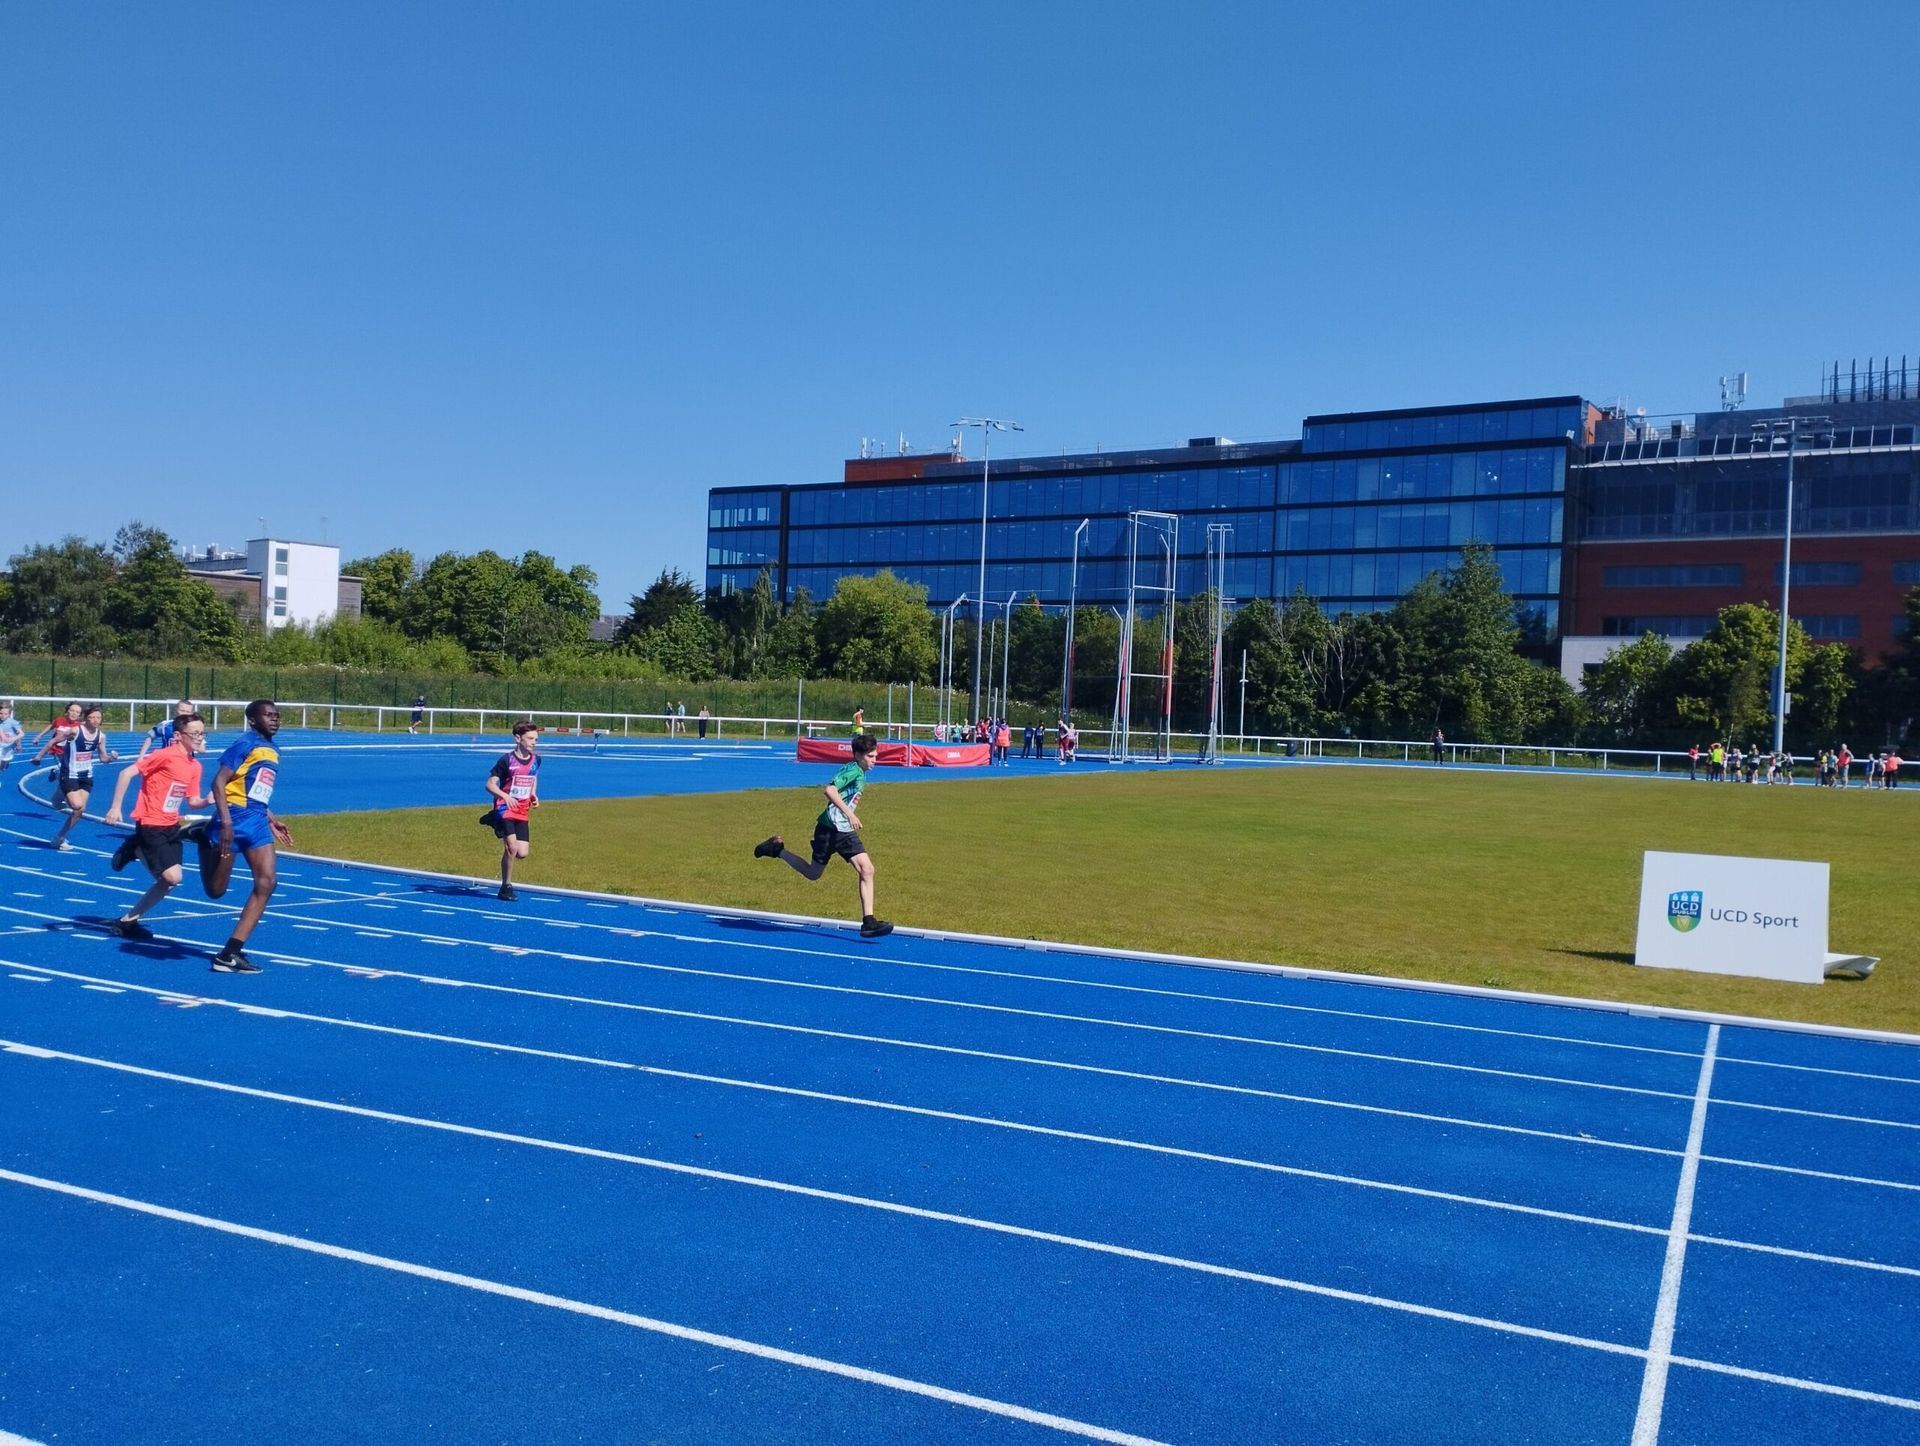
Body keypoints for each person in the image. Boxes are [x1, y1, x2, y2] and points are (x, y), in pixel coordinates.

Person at [752, 731, 892, 938]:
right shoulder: (852, 770)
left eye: (876, 756)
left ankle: (869, 922)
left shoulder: (860, 772)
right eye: (870, 756)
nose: (875, 760)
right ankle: (777, 850)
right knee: (814, 873)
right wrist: (850, 814)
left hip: (842, 830)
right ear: (857, 756)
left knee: (866, 869)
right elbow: (830, 790)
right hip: (829, 829)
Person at [196, 699, 295, 974]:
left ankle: (229, 953)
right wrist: (226, 823)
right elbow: (218, 783)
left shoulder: (273, 749)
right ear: (252, 720)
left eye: (277, 715)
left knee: (267, 882)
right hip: (234, 818)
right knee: (216, 891)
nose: (274, 719)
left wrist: (271, 819)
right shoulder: (245, 744)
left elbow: (255, 789)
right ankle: (204, 836)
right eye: (268, 715)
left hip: (257, 821)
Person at [103, 711, 210, 938]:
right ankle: (134, 846)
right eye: (194, 733)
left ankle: (128, 921)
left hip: (171, 825)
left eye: (202, 733)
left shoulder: (195, 766)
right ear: (179, 735)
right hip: (151, 822)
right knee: (173, 877)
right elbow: (126, 773)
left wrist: (208, 800)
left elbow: (192, 801)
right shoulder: (165, 755)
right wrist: (115, 807)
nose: (200, 738)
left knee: (169, 882)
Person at [36, 703, 115, 852]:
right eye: (92, 717)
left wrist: (112, 758)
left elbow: (103, 758)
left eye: (98, 717)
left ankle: (59, 838)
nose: (96, 720)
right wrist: (39, 756)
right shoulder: (74, 731)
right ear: (86, 718)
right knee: (77, 806)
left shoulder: (101, 736)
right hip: (70, 773)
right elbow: (53, 741)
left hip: (86, 775)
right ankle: (58, 793)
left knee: (80, 810)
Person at [482, 721, 541, 901]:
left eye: (536, 739)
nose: (534, 742)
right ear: (517, 738)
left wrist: (533, 794)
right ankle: (506, 887)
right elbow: (489, 784)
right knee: (512, 848)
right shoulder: (506, 760)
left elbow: (533, 778)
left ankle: (493, 819)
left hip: (522, 809)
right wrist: (505, 796)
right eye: (530, 738)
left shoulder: (536, 759)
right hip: (505, 807)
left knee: (522, 853)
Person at [0, 700, 22, 776]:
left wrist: (18, 744)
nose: (2, 716)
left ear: (9, 714)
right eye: (0, 713)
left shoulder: (13, 722)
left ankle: (4, 764)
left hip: (8, 746)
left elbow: (20, 733)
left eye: (5, 714)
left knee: (5, 760)